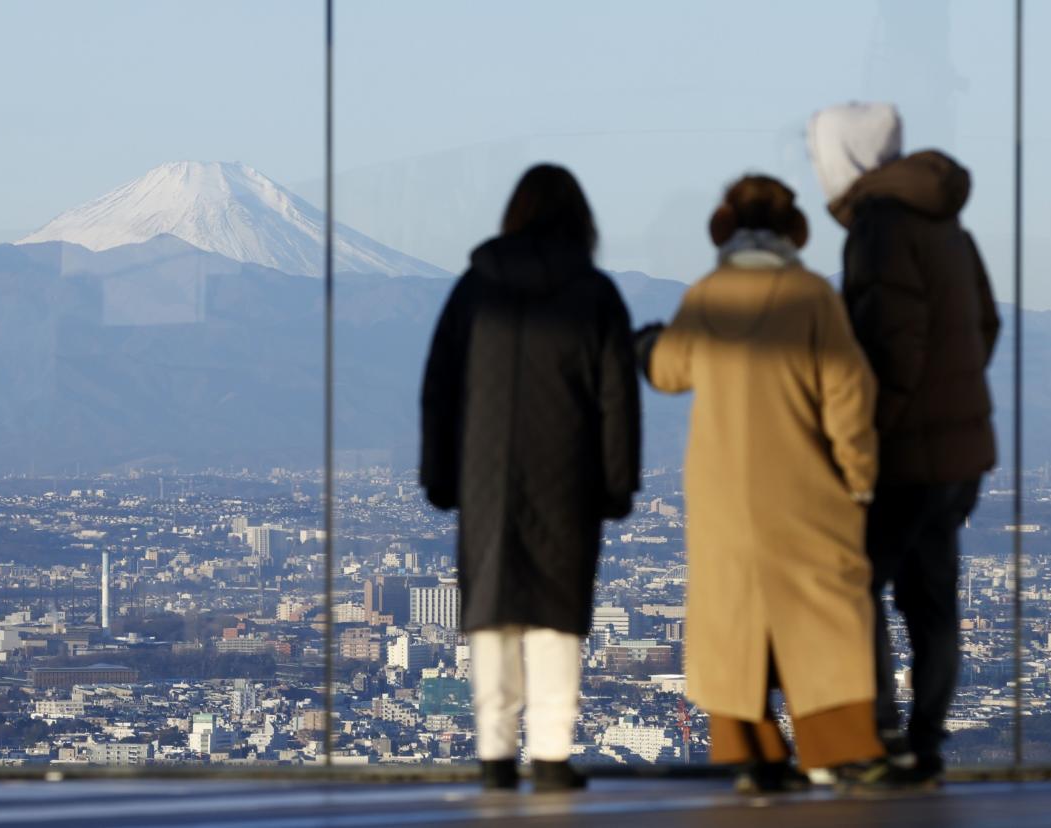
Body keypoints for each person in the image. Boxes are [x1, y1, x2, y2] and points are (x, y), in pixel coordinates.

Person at [641, 175, 891, 793]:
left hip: (724, 494)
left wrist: (649, 343)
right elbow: (847, 393)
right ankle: (840, 746)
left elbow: (669, 371)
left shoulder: (708, 295)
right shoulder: (809, 296)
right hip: (806, 489)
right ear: (792, 231)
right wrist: (859, 476)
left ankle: (751, 753)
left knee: (732, 621)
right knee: (823, 616)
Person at [420, 164, 641, 793]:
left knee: (493, 613)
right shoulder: (595, 293)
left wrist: (440, 473)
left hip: (486, 476)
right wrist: (618, 482)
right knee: (555, 614)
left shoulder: (472, 288)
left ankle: (494, 753)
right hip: (567, 477)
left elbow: (439, 389)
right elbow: (617, 399)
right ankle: (549, 755)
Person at [807, 102, 1000, 784]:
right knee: (933, 596)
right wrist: (960, 401)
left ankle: (880, 730)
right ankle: (925, 740)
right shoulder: (947, 225)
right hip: (960, 451)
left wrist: (866, 431)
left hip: (904, 451)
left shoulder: (879, 229)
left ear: (846, 161)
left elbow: (892, 344)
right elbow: (986, 321)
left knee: (852, 585)